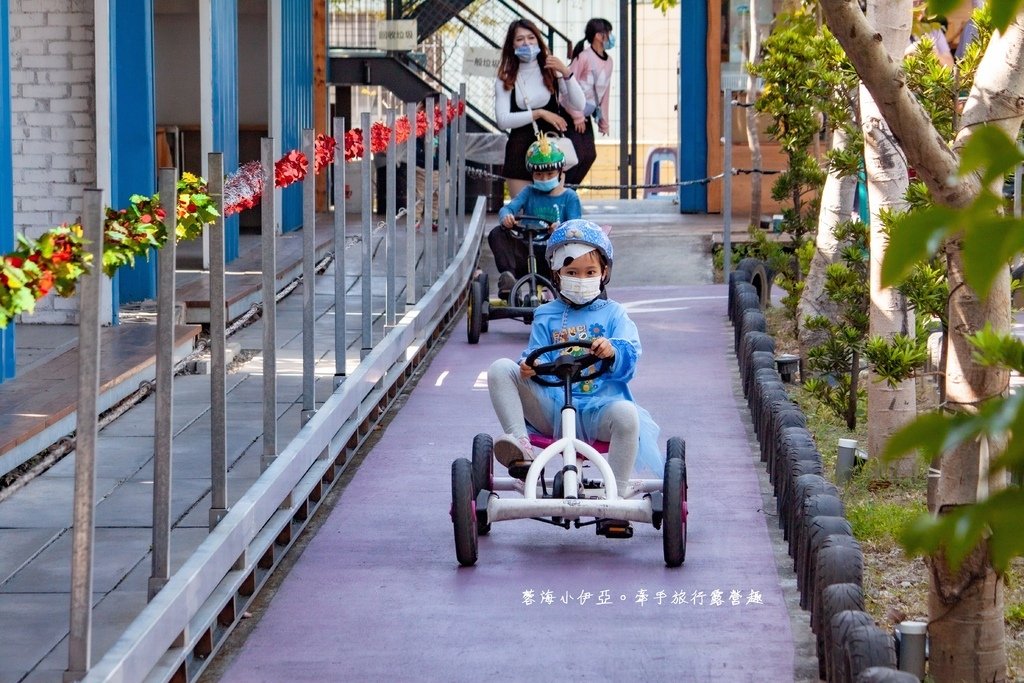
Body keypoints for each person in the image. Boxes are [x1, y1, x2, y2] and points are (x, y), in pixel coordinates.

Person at [486, 219, 662, 505]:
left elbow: (631, 353)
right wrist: (526, 367)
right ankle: (521, 448)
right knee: (500, 369)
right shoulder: (545, 314)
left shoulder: (614, 314)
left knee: (628, 417)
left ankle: (614, 495)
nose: (581, 278)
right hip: (553, 406)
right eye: (572, 272)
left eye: (590, 271)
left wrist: (612, 350)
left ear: (604, 273)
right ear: (556, 274)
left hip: (599, 407)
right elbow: (534, 354)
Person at [495, 18, 586, 198]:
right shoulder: (505, 76)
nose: (526, 43)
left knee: (553, 214)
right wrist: (540, 113)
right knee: (523, 217)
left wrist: (566, 73)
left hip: (550, 153)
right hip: (518, 153)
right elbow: (502, 120)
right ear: (511, 45)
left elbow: (579, 104)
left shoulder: (551, 70)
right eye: (520, 39)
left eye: (531, 38)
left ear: (538, 40)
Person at [488, 136, 582, 299]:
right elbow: (508, 208)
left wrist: (560, 230)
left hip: (553, 256)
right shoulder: (529, 192)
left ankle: (563, 286)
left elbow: (576, 227)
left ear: (560, 171)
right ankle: (508, 279)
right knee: (497, 233)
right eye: (539, 174)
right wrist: (507, 218)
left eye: (549, 174)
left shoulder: (569, 197)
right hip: (526, 250)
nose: (544, 179)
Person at [564, 18, 615, 187]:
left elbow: (605, 92)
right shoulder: (583, 57)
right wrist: (576, 116)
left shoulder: (609, 62)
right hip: (571, 114)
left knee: (589, 155)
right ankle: (560, 192)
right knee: (576, 156)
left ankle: (569, 192)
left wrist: (604, 120)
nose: (611, 37)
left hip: (586, 114)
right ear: (599, 36)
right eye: (608, 33)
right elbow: (566, 85)